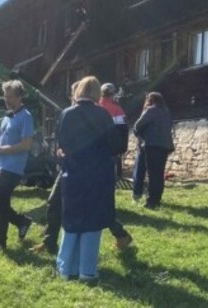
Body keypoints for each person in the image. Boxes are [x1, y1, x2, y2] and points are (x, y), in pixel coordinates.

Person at [31, 83, 133, 255]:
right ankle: (49, 241)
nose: (73, 97)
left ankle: (121, 235)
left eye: (74, 93)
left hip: (92, 168)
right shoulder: (72, 114)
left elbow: (112, 142)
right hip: (72, 166)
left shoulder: (98, 113)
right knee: (55, 202)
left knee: (97, 205)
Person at [55, 76, 124, 282]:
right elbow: (116, 146)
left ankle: (66, 269)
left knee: (71, 219)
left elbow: (62, 143)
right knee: (92, 222)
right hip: (97, 173)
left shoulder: (65, 114)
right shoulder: (102, 114)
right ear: (96, 93)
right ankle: (87, 270)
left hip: (73, 172)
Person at [0, 81, 35, 253]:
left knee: (1, 202)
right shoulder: (7, 116)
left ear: (19, 97)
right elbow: (3, 139)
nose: (6, 100)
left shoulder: (26, 116)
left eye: (10, 96)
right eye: (5, 96)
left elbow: (26, 145)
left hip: (13, 167)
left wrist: (0, 149)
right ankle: (21, 222)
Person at [132, 92, 174, 210]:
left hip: (152, 145)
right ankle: (157, 198)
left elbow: (137, 125)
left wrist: (140, 135)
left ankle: (151, 201)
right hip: (165, 146)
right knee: (159, 174)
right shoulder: (166, 112)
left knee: (152, 174)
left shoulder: (151, 110)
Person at [98, 83, 129, 179]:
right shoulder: (117, 109)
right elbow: (123, 129)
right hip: (111, 146)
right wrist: (122, 148)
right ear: (113, 94)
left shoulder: (94, 106)